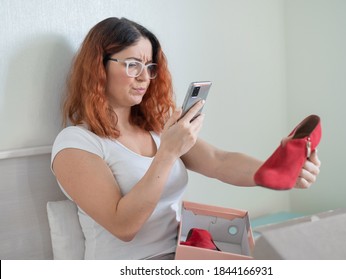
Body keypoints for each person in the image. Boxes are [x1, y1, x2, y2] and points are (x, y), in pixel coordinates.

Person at [51, 17, 321, 260]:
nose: (145, 77)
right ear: (99, 66)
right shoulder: (76, 144)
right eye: (133, 65)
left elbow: (219, 161)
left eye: (149, 66)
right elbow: (124, 226)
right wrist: (167, 153)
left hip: (182, 256)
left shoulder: (156, 129)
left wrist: (275, 171)